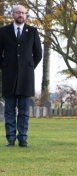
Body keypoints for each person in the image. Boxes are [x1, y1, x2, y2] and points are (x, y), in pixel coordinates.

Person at [0, 5, 42, 147]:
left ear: (26, 15)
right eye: (18, 12)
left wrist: (29, 67)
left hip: (26, 77)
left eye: (23, 13)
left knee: (24, 111)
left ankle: (22, 138)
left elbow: (38, 54)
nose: (20, 15)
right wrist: (4, 67)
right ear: (12, 14)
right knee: (9, 110)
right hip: (9, 76)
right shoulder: (3, 31)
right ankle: (10, 138)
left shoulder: (33, 32)